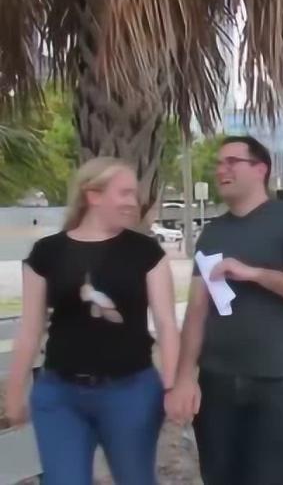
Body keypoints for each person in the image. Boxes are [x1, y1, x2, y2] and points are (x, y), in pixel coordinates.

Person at [167, 136, 283, 485]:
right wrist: (183, 379)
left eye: (232, 162)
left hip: (275, 382)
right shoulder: (212, 234)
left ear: (260, 169)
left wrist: (254, 274)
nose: (221, 170)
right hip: (216, 382)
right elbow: (197, 311)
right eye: (218, 164)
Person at [4, 158, 179, 485]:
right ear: (93, 195)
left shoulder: (145, 252)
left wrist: (172, 385)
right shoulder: (47, 253)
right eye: (124, 193)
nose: (133, 202)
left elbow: (167, 324)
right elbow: (30, 328)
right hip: (60, 396)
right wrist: (15, 390)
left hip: (131, 393)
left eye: (134, 194)